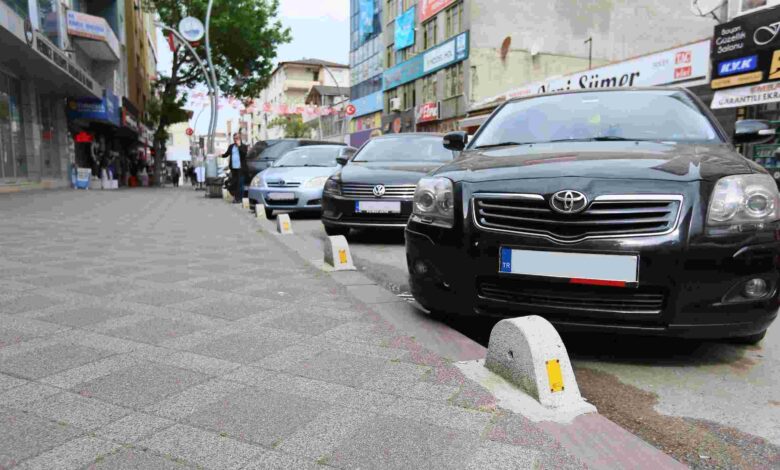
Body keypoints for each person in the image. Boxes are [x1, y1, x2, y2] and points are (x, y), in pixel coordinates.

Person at [222, 133, 248, 203]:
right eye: (234, 138)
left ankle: (239, 199)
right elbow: (226, 154)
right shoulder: (231, 146)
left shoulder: (244, 146)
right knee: (234, 184)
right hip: (234, 169)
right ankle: (236, 197)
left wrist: (239, 146)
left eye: (237, 138)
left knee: (240, 184)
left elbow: (244, 154)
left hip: (241, 169)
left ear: (240, 138)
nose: (235, 140)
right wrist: (220, 155)